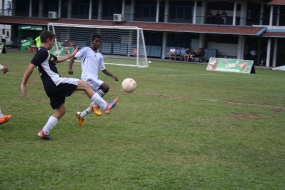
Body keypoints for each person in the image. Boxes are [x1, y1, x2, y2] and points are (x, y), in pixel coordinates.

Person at [21, 31, 118, 139]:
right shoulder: (42, 52)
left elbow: (58, 59)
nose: (53, 44)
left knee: (61, 110)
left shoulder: (46, 53)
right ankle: (105, 106)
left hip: (49, 87)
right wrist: (23, 83)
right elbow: (30, 66)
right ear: (48, 40)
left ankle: (44, 131)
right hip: (56, 82)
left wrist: (72, 54)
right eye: (53, 41)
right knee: (85, 85)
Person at [68, 33, 119, 126]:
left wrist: (112, 75)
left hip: (94, 78)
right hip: (87, 77)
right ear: (92, 41)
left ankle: (81, 115)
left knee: (100, 95)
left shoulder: (99, 55)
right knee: (105, 87)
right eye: (96, 41)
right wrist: (70, 68)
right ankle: (104, 106)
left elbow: (103, 69)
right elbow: (74, 57)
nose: (98, 43)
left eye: (100, 42)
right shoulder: (86, 49)